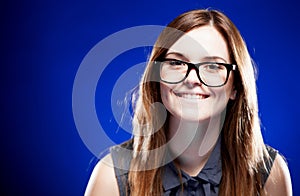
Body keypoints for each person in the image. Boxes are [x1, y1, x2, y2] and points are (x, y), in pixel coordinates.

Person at [85, 9, 292, 196]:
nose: (192, 79)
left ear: (235, 87)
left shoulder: (270, 174)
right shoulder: (111, 175)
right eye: (176, 63)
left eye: (212, 66)